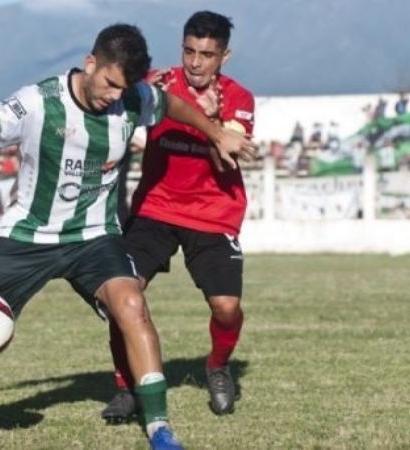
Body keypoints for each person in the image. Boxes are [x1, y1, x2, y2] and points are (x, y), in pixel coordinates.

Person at [0, 23, 254, 450]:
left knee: (132, 304)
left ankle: (159, 428)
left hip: (94, 237)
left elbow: (173, 105)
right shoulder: (38, 102)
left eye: (122, 88)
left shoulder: (134, 97)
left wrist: (216, 132)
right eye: (108, 83)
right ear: (90, 63)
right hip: (28, 237)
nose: (114, 95)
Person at [99, 11, 255, 421]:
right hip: (155, 208)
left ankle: (218, 366)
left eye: (207, 54)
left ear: (225, 55)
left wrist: (211, 122)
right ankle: (126, 386)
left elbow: (226, 162)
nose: (196, 62)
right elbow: (110, 107)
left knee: (226, 307)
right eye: (189, 51)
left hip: (214, 212)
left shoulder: (238, 99)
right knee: (123, 295)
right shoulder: (156, 86)